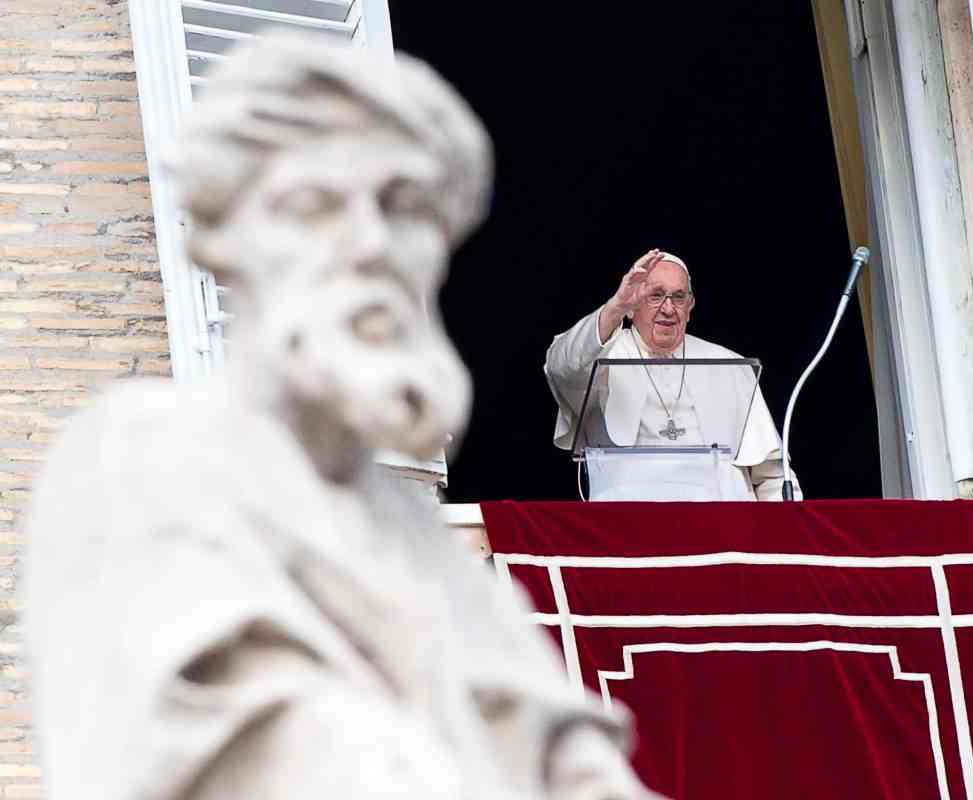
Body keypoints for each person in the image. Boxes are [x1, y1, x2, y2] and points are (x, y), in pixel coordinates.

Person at [24, 34, 659, 800]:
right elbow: (264, 755)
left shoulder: (428, 549)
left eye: (405, 209)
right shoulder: (139, 458)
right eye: (314, 203)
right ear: (228, 237)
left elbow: (572, 762)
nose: (370, 244)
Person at [546, 249, 784, 500]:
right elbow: (561, 367)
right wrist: (615, 307)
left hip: (725, 528)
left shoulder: (730, 365)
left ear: (690, 306)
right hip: (628, 525)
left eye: (678, 297)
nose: (668, 308)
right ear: (631, 306)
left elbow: (773, 475)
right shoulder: (600, 354)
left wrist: (780, 534)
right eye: (655, 296)